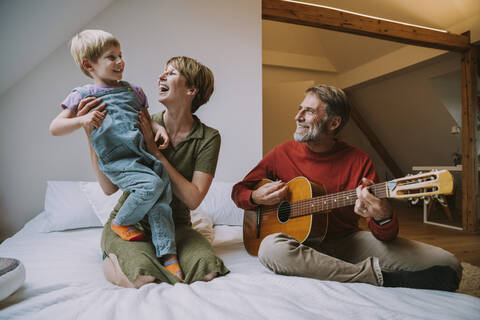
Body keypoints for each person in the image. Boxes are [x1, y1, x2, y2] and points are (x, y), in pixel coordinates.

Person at [231, 84, 461, 291]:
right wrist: (256, 196)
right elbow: (239, 191)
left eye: (309, 111)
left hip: (347, 242)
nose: (297, 116)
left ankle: (332, 270)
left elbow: (385, 235)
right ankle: (383, 279)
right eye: (300, 109)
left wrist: (383, 216)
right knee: (271, 249)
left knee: (448, 264)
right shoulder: (281, 153)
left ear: (334, 123)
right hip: (296, 244)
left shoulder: (358, 161)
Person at [75, 56, 229, 287]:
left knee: (207, 270)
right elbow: (109, 188)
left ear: (191, 90)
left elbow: (193, 198)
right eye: (163, 71)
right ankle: (113, 252)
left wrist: (155, 152)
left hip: (177, 225)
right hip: (131, 225)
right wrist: (90, 136)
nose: (161, 76)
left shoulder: (208, 138)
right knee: (144, 276)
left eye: (172, 72)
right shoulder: (140, 120)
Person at [49, 29, 182, 279]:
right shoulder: (83, 95)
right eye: (111, 57)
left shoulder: (134, 92)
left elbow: (145, 119)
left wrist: (158, 127)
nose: (120, 62)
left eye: (121, 55)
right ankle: (121, 221)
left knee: (161, 198)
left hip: (141, 155)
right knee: (150, 186)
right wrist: (83, 120)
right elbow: (54, 127)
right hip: (116, 160)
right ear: (89, 64)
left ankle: (168, 253)